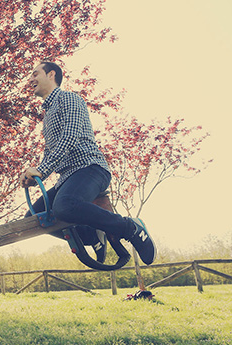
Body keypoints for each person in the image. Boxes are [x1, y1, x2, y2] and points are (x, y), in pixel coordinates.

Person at [22, 61, 156, 265]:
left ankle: (131, 228)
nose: (30, 79)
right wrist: (35, 176)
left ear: (51, 75)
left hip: (90, 168)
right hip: (67, 178)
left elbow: (70, 136)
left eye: (35, 73)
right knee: (33, 216)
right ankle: (91, 236)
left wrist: (41, 170)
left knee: (64, 206)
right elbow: (49, 153)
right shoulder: (47, 116)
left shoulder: (69, 99)